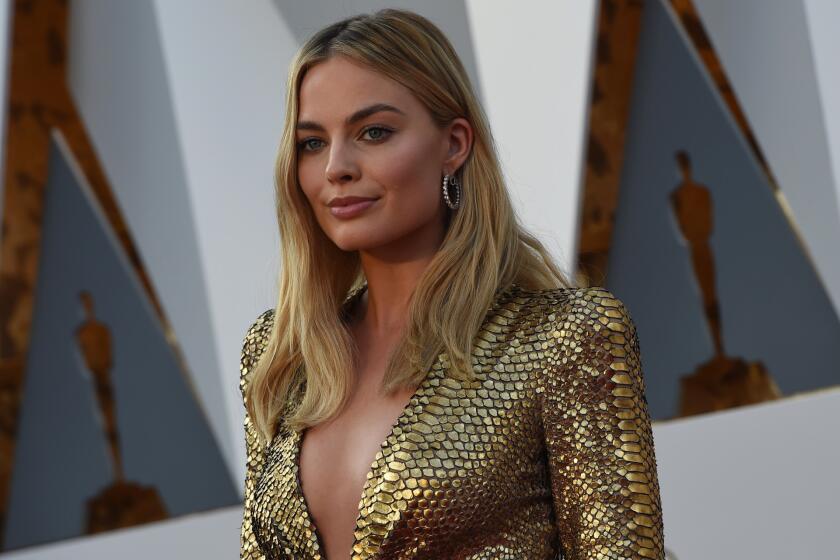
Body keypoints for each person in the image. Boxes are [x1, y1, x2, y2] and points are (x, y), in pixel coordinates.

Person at [239, 8, 664, 560]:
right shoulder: (281, 356)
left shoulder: (563, 338)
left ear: (454, 144)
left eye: (374, 132)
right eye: (312, 143)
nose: (336, 167)